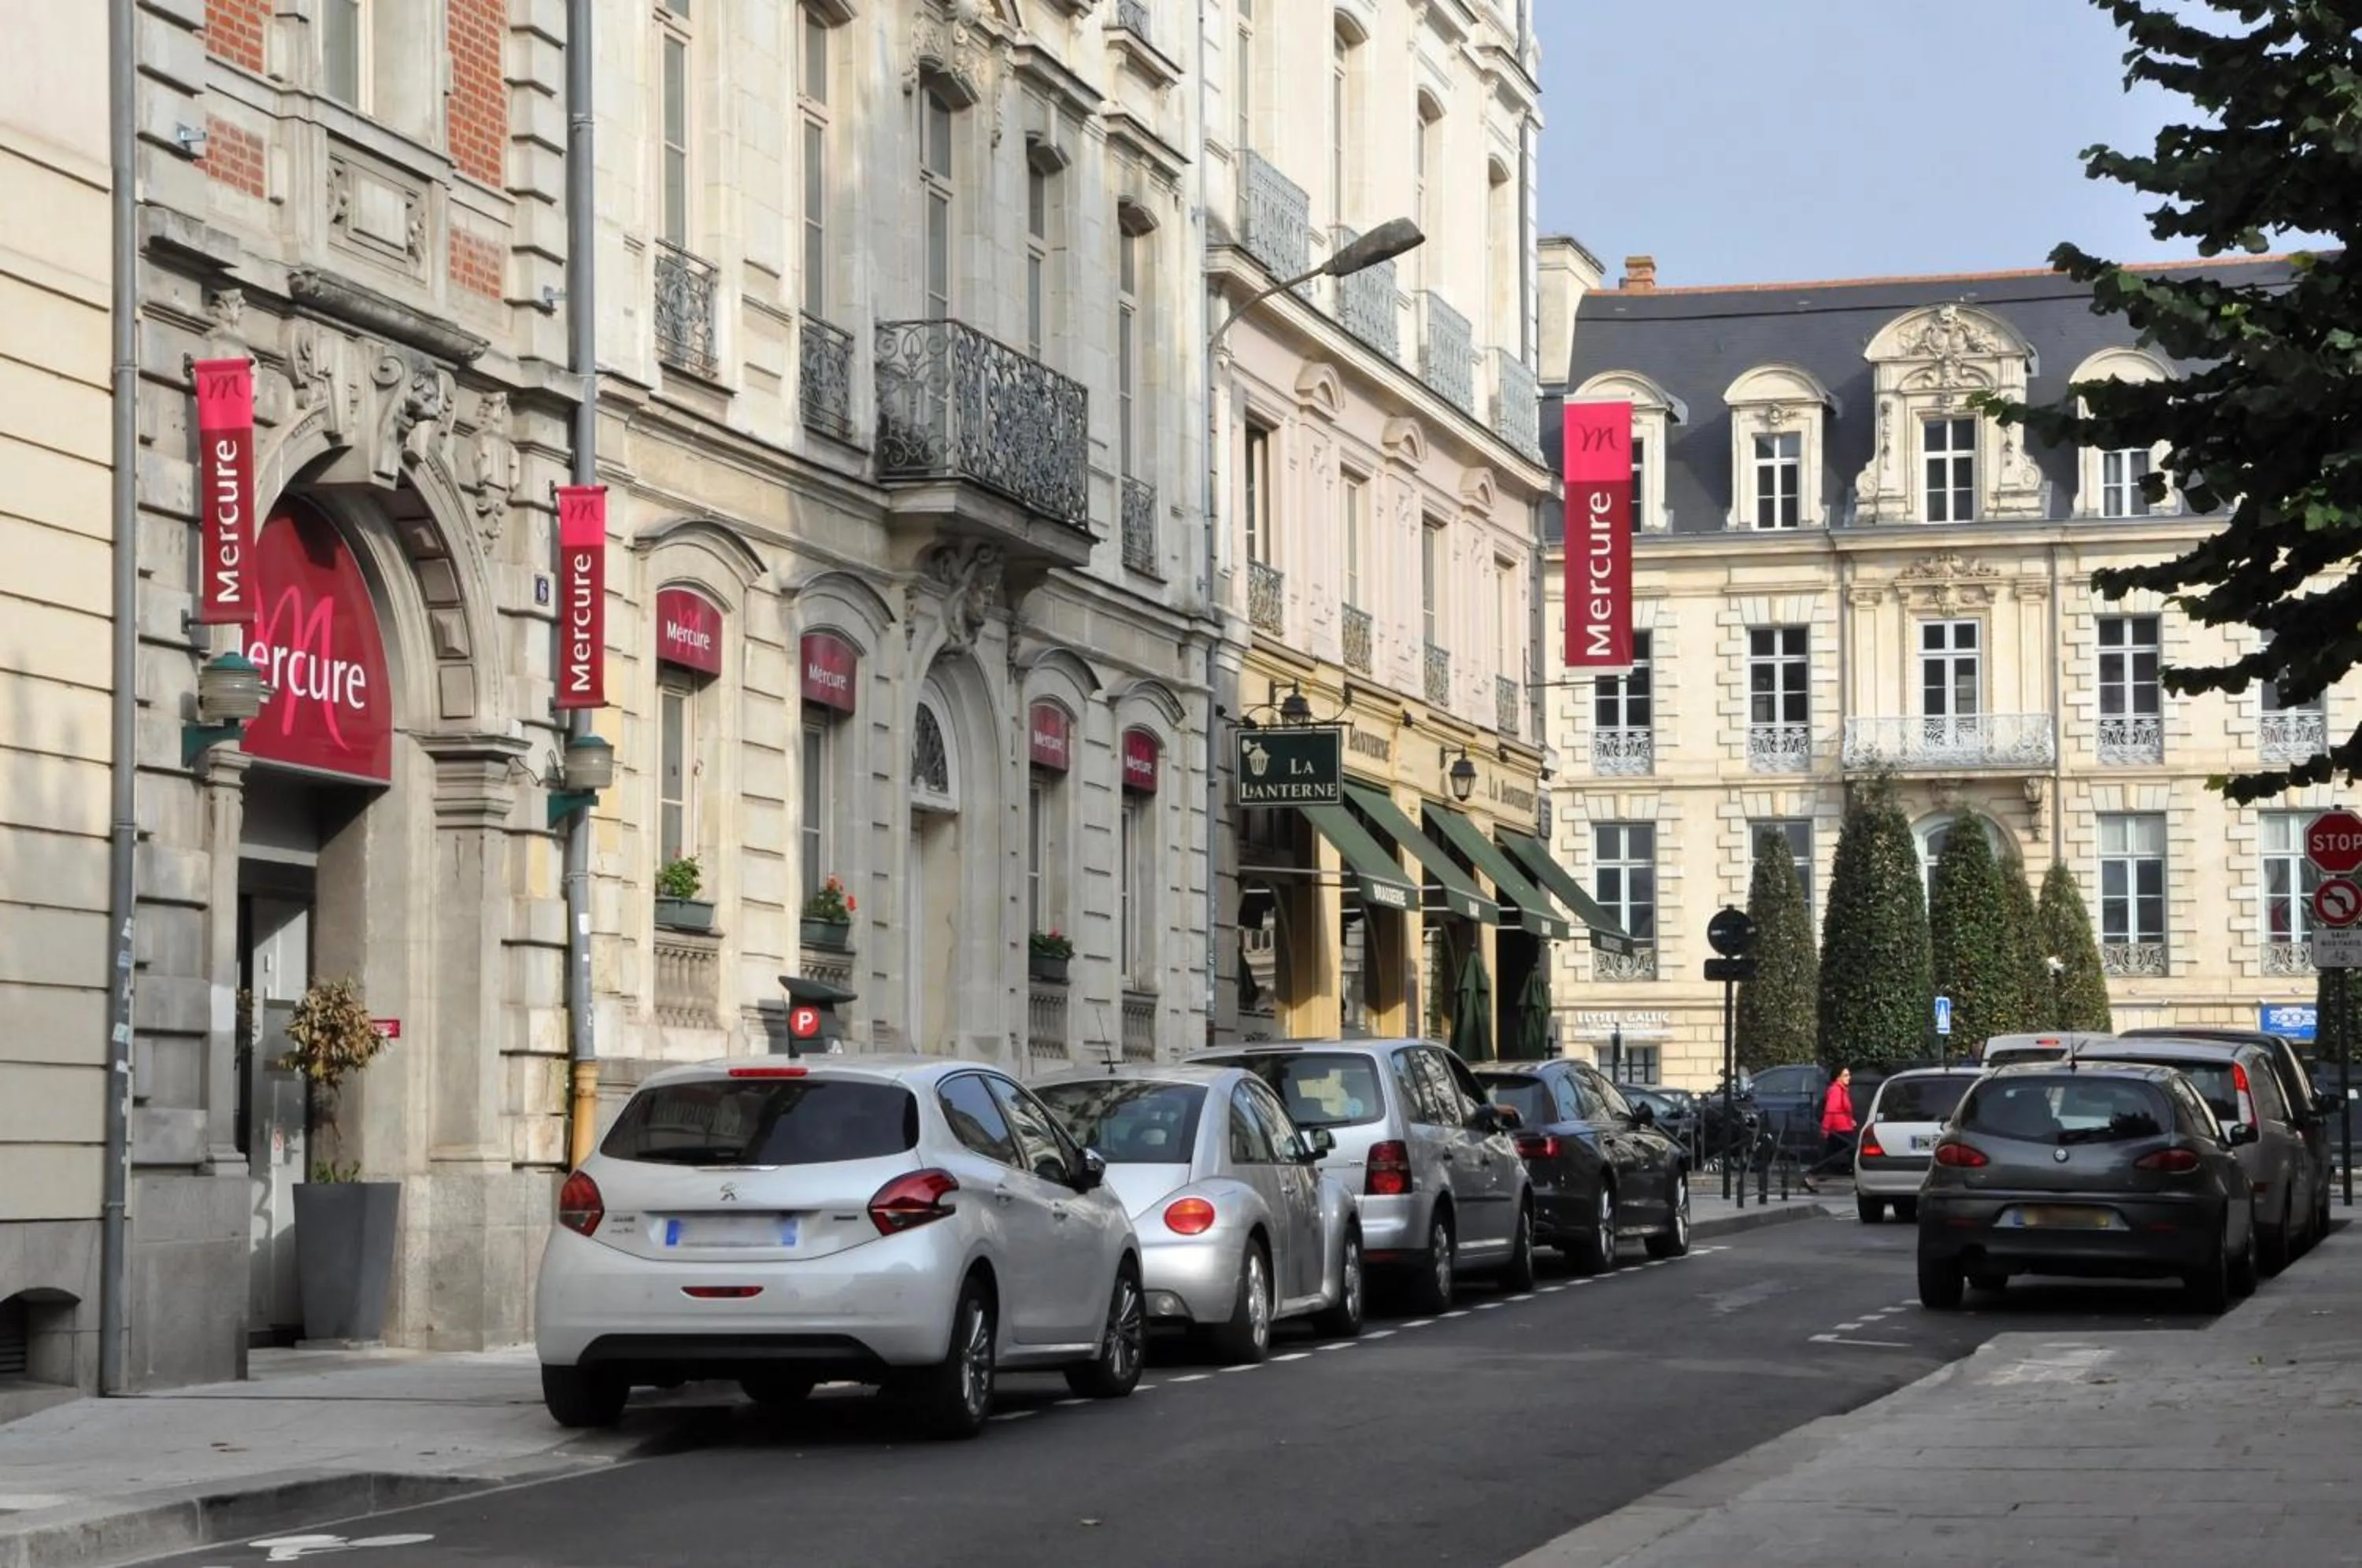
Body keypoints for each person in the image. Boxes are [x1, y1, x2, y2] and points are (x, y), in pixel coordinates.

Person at [1801, 1065, 1856, 1193]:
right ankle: (1859, 1181)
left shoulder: (1842, 1090)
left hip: (1843, 1126)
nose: (1849, 1078)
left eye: (1849, 1075)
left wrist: (1850, 1120)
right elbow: (1831, 1110)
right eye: (1845, 1075)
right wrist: (1826, 1129)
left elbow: (1842, 1110)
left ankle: (1811, 1176)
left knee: (1829, 1155)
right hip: (1840, 1128)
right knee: (1855, 1151)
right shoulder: (1836, 1090)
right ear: (1838, 1077)